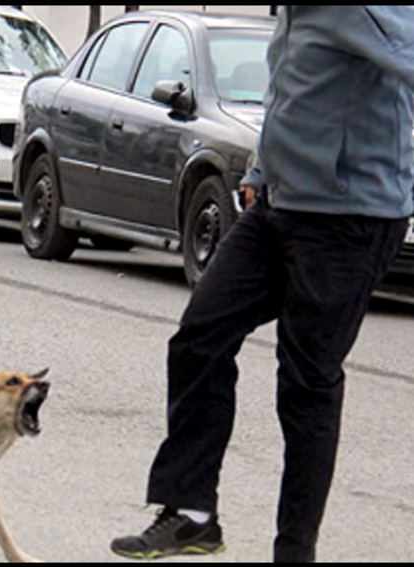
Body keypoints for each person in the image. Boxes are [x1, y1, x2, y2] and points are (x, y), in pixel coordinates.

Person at [110, 6, 414, 563]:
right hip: (278, 205)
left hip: (351, 216)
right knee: (200, 337)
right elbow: (289, 95)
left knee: (306, 382)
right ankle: (193, 513)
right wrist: (258, 172)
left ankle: (294, 553)